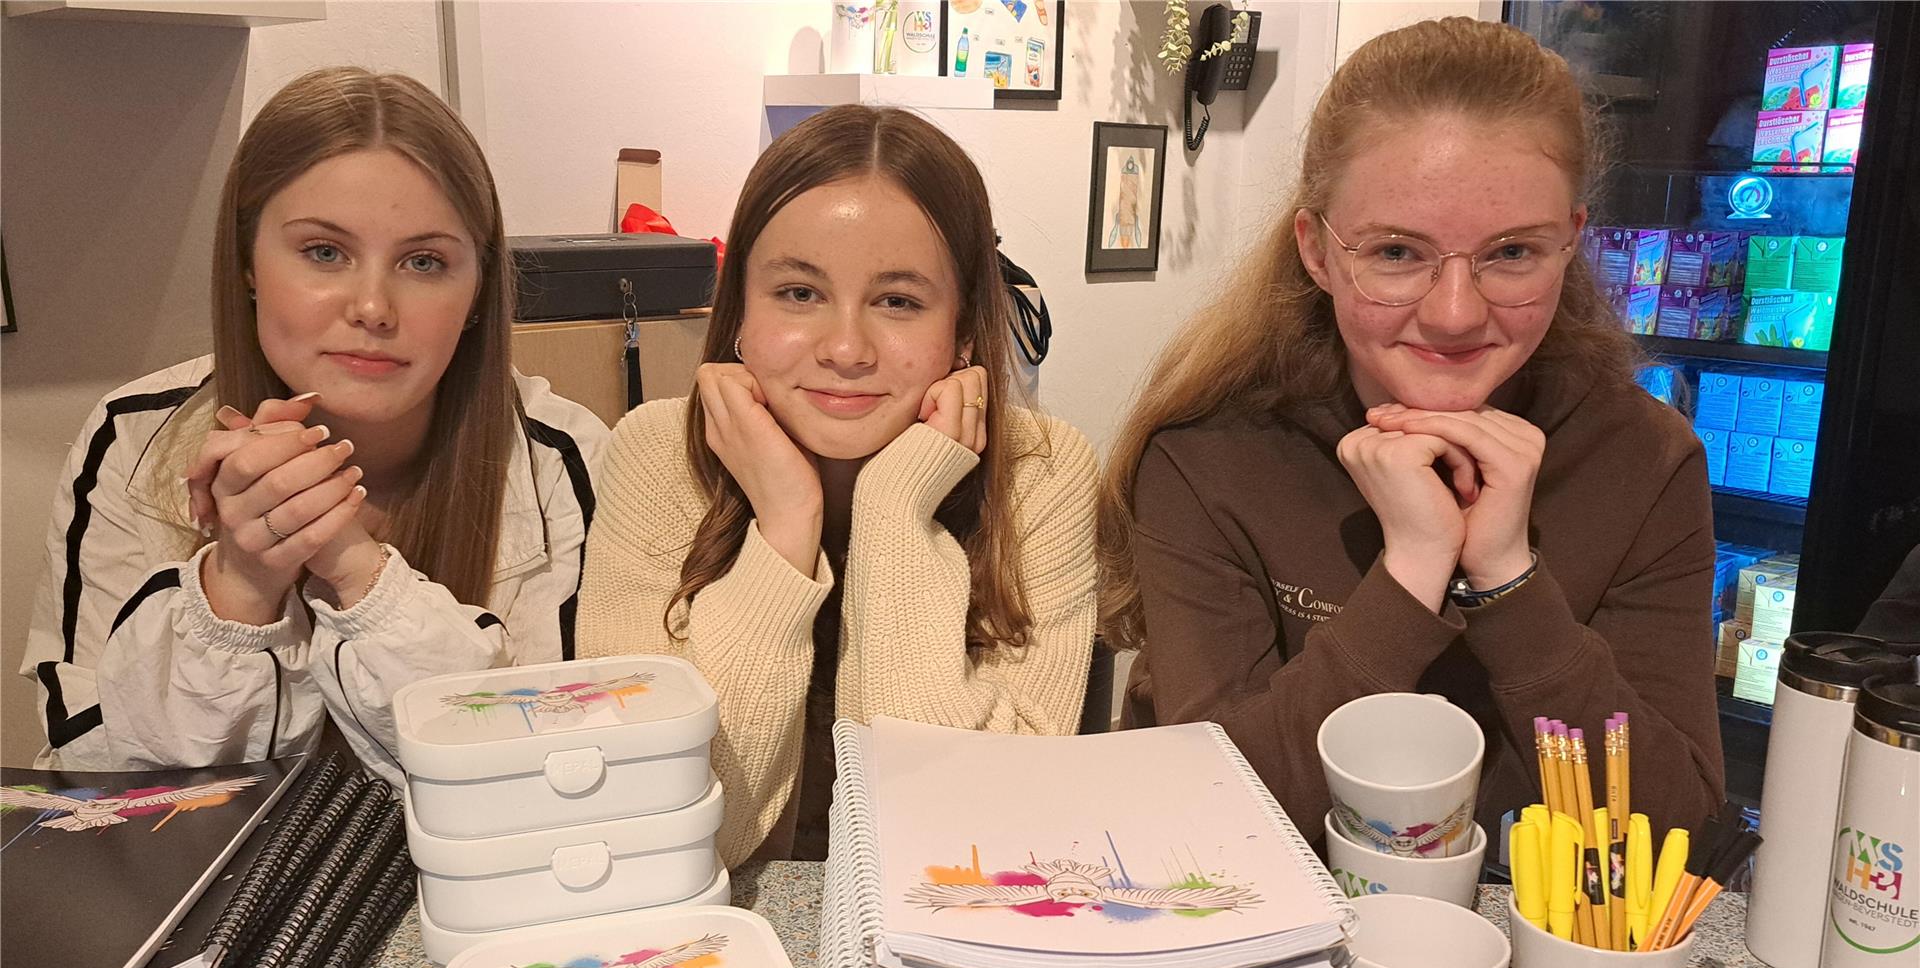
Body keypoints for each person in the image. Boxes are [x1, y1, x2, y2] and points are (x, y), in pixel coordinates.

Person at [1098, 18, 1725, 847]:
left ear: (1571, 241)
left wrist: (1507, 578)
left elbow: (1680, 829)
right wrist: (1410, 572)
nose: (1456, 312)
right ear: (1317, 252)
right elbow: (1214, 818)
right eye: (1396, 252)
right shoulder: (1208, 456)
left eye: (1511, 252)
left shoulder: (1644, 461)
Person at [22, 67, 606, 785]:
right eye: (324, 253)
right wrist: (239, 583)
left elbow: (564, 772)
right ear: (247, 264)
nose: (372, 307)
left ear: (479, 290)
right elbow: (99, 781)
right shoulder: (132, 440)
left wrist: (357, 569)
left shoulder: (562, 461)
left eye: (424, 262)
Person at [578, 105, 1098, 867]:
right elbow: (671, 837)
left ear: (961, 328)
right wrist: (785, 526)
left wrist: (896, 513)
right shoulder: (656, 457)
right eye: (798, 293)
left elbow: (963, 837)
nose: (847, 349)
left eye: (898, 301)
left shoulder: (1042, 474)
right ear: (739, 316)